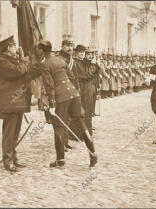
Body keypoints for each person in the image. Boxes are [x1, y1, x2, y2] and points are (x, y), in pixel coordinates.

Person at [38, 40, 97, 168]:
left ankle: (60, 160)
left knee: (58, 127)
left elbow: (49, 85)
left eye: (39, 50)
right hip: (73, 94)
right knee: (81, 123)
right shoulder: (60, 60)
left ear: (42, 50)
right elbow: (73, 78)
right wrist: (76, 93)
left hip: (61, 97)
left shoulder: (44, 64)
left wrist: (52, 104)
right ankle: (93, 153)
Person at [0, 35, 40, 172]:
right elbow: (17, 71)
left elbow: (25, 75)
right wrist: (25, 63)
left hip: (18, 102)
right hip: (10, 102)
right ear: (8, 48)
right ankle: (7, 161)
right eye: (14, 45)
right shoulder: (2, 62)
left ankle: (13, 157)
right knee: (9, 132)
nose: (16, 48)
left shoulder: (14, 61)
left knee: (15, 132)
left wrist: (35, 70)